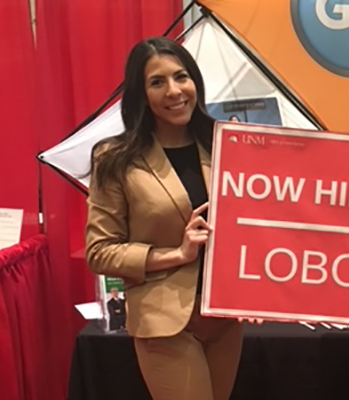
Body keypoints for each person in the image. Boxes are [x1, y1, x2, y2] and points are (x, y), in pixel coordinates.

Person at [85, 37, 243, 400]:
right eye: (157, 82)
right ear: (141, 94)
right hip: (165, 322)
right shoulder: (114, 159)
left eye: (181, 77)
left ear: (195, 82)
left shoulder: (225, 145)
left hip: (223, 317)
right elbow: (100, 251)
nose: (174, 91)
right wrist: (177, 254)